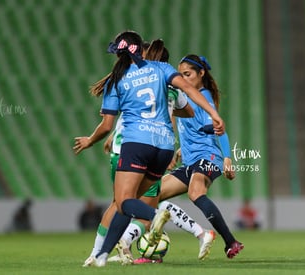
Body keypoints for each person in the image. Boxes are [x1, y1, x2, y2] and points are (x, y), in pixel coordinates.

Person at [73, 31, 225, 267]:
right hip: (164, 147)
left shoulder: (117, 80)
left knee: (122, 203)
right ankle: (105, 254)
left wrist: (90, 140)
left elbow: (106, 125)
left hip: (132, 145)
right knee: (134, 202)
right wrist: (214, 114)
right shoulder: (161, 70)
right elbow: (189, 96)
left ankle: (152, 221)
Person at [158, 54, 244, 259]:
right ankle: (151, 243)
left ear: (201, 73)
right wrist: (181, 151)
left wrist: (227, 158)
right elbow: (195, 130)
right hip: (191, 161)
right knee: (153, 193)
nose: (183, 79)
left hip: (209, 158)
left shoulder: (203, 96)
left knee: (195, 192)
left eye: (188, 74)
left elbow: (218, 126)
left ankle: (230, 241)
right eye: (181, 75)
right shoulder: (185, 97)